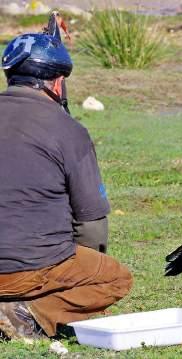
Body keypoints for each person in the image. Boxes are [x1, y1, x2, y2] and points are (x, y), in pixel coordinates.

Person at [0, 17, 133, 339]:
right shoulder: (69, 130)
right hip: (26, 268)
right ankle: (26, 315)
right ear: (57, 83)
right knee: (115, 278)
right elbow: (91, 222)